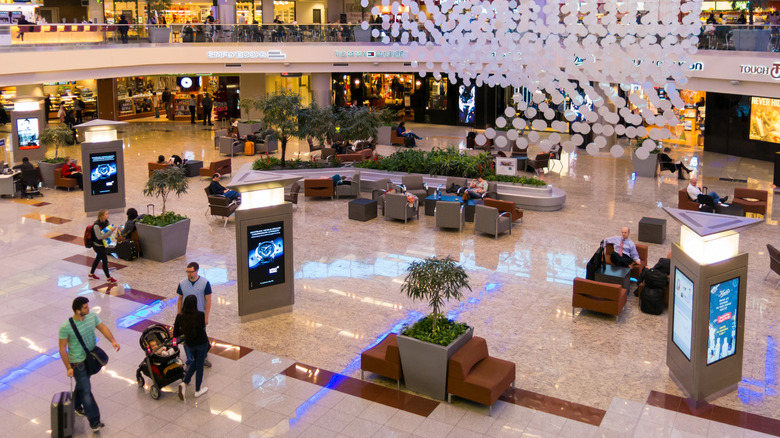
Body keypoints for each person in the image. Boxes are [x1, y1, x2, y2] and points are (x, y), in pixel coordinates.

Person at [58, 297, 119, 432]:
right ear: (77, 310)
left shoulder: (92, 316)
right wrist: (68, 367)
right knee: (86, 390)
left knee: (82, 384)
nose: (88, 308)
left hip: (90, 358)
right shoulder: (66, 326)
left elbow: (103, 328)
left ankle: (75, 405)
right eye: (85, 307)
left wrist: (113, 341)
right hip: (77, 362)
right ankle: (95, 421)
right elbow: (62, 348)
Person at [176, 262, 212, 368]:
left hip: (200, 316)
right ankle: (190, 359)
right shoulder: (182, 283)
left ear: (197, 271)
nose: (189, 274)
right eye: (187, 271)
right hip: (187, 316)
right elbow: (180, 299)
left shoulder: (205, 283)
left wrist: (206, 317)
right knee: (187, 338)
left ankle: (202, 357)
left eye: (191, 272)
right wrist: (179, 314)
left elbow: (208, 300)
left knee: (202, 338)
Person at [175, 295, 209, 400]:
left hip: (190, 344)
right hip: (202, 343)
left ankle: (185, 382)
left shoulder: (180, 317)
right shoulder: (200, 315)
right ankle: (198, 390)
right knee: (199, 365)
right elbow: (202, 327)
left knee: (195, 362)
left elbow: (176, 333)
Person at [88, 209, 117, 283]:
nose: (108, 215)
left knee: (98, 258)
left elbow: (107, 233)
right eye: (106, 214)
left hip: (103, 244)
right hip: (97, 245)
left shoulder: (107, 222)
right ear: (102, 216)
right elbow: (99, 237)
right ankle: (109, 278)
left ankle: (91, 274)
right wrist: (111, 231)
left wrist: (109, 232)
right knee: (104, 260)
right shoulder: (96, 225)